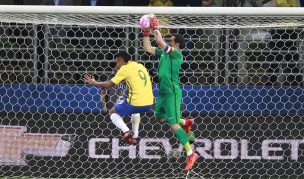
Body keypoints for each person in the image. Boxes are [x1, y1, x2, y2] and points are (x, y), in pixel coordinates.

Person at [142, 15, 198, 171]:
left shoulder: (177, 55)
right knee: (159, 118)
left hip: (172, 93)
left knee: (172, 125)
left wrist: (156, 27)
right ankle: (184, 122)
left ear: (177, 44)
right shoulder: (164, 54)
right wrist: (146, 32)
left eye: (171, 41)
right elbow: (147, 48)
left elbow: (160, 42)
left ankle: (190, 154)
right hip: (162, 93)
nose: (168, 42)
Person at [84, 52, 154, 145]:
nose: (116, 65)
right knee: (135, 110)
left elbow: (109, 85)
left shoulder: (125, 68)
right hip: (149, 103)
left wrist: (94, 82)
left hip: (136, 101)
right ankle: (135, 137)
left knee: (112, 112)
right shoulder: (140, 66)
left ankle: (126, 131)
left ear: (121, 60)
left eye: (117, 62)